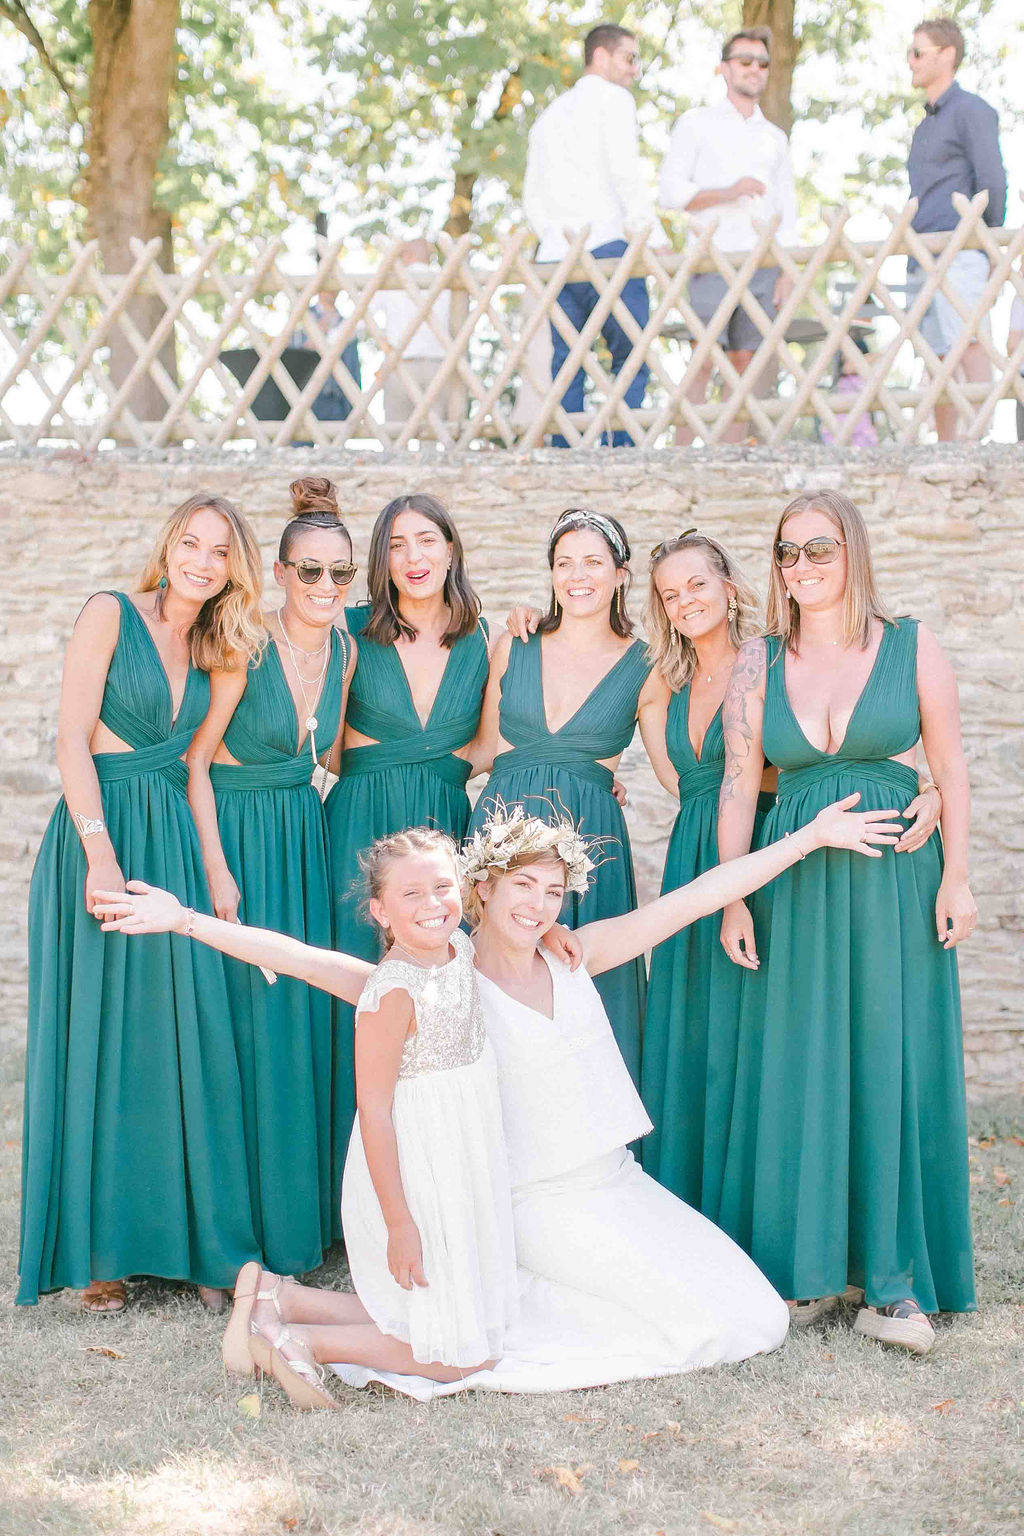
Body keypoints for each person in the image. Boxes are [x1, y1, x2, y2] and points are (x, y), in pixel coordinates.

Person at [93, 792, 903, 1403]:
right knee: (696, 1326)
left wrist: (808, 837)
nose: (537, 906)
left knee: (754, 1313)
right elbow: (305, 961)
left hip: (616, 1184)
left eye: (552, 891)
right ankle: (327, 1324)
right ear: (482, 888)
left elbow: (690, 900)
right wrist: (184, 919)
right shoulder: (447, 977)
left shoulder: (576, 954)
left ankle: (284, 1299)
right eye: (522, 885)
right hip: (534, 1203)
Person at [91, 827, 572, 1404]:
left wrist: (550, 926)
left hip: (464, 1159)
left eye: (442, 888)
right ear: (381, 911)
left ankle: (279, 1298)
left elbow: (308, 959)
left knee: (451, 1312)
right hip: (417, 1174)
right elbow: (373, 1110)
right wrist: (185, 920)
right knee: (466, 1353)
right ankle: (300, 1342)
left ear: (463, 890)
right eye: (410, 894)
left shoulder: (459, 949)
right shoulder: (392, 992)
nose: (431, 904)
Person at [716, 489, 976, 1355]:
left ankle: (892, 1284)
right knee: (799, 1059)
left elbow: (950, 766)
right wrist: (734, 894)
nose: (802, 567)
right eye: (787, 552)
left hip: (895, 881)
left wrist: (958, 879)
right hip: (792, 883)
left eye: (819, 549)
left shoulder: (910, 645)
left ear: (853, 551)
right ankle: (804, 1266)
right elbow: (736, 784)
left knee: (888, 1058)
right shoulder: (757, 659)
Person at [19, 494, 266, 1312]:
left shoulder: (222, 649)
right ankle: (101, 1254)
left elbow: (195, 769)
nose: (202, 561)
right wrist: (100, 854)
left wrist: (217, 872)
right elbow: (70, 738)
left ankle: (196, 1246)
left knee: (178, 1037)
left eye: (220, 551)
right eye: (191, 543)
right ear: (168, 547)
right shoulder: (109, 613)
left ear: (235, 569)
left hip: (171, 846)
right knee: (98, 1036)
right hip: (98, 837)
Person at [185, 477, 357, 1278]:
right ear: (281, 573)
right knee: (243, 1033)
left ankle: (303, 1223)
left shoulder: (345, 649)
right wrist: (217, 871)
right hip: (239, 839)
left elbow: (331, 754)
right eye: (309, 570)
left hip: (302, 838)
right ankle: (232, 1240)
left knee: (297, 1026)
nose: (325, 585)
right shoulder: (244, 643)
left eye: (340, 572)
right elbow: (196, 764)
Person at [324, 494, 490, 1227]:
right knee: (355, 993)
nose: (413, 557)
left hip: (443, 826)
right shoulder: (350, 632)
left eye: (426, 540)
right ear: (380, 560)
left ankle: (433, 1192)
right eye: (396, 545)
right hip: (359, 824)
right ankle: (344, 1204)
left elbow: (492, 744)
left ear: (452, 548)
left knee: (437, 1006)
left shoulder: (486, 638)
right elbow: (325, 743)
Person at [473, 509, 649, 1083]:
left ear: (620, 575)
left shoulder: (647, 664)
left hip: (588, 845)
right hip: (500, 837)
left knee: (582, 1005)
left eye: (593, 562)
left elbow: (679, 770)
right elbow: (483, 749)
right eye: (564, 563)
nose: (578, 576)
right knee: (487, 1005)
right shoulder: (514, 643)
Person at [636, 532, 775, 1216]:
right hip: (691, 854)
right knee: (695, 1028)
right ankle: (688, 1204)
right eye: (669, 595)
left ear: (728, 585)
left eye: (696, 584)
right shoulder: (669, 682)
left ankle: (753, 1196)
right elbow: (681, 782)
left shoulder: (770, 659)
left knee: (752, 1026)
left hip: (757, 851)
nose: (685, 601)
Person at [522, 23, 669, 447]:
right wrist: (651, 235)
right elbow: (625, 172)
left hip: (557, 256)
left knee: (568, 360)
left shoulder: (547, 118)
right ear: (600, 56)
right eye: (629, 58)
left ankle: (567, 451)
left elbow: (532, 197)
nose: (635, 69)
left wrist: (554, 235)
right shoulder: (614, 100)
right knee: (631, 354)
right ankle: (623, 449)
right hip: (609, 247)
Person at [659, 26, 798, 444]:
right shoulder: (695, 124)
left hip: (762, 265)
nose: (755, 69)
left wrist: (787, 269)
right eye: (745, 61)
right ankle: (679, 458)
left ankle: (730, 459)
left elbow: (787, 209)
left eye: (763, 63)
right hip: (711, 260)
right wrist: (729, 192)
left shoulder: (775, 138)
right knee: (703, 360)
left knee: (745, 366)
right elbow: (671, 193)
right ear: (724, 68)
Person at [905, 15, 1006, 441]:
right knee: (935, 356)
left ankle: (980, 442)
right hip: (921, 253)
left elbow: (992, 180)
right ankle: (945, 450)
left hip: (961, 249)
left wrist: (988, 245)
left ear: (947, 55)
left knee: (970, 342)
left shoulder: (972, 111)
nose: (910, 61)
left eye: (917, 52)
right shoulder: (924, 126)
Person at [374, 238, 452, 433]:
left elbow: (363, 316)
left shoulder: (392, 281)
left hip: (400, 365)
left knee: (396, 431)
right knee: (432, 434)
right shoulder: (446, 281)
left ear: (407, 255)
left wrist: (381, 340)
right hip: (437, 366)